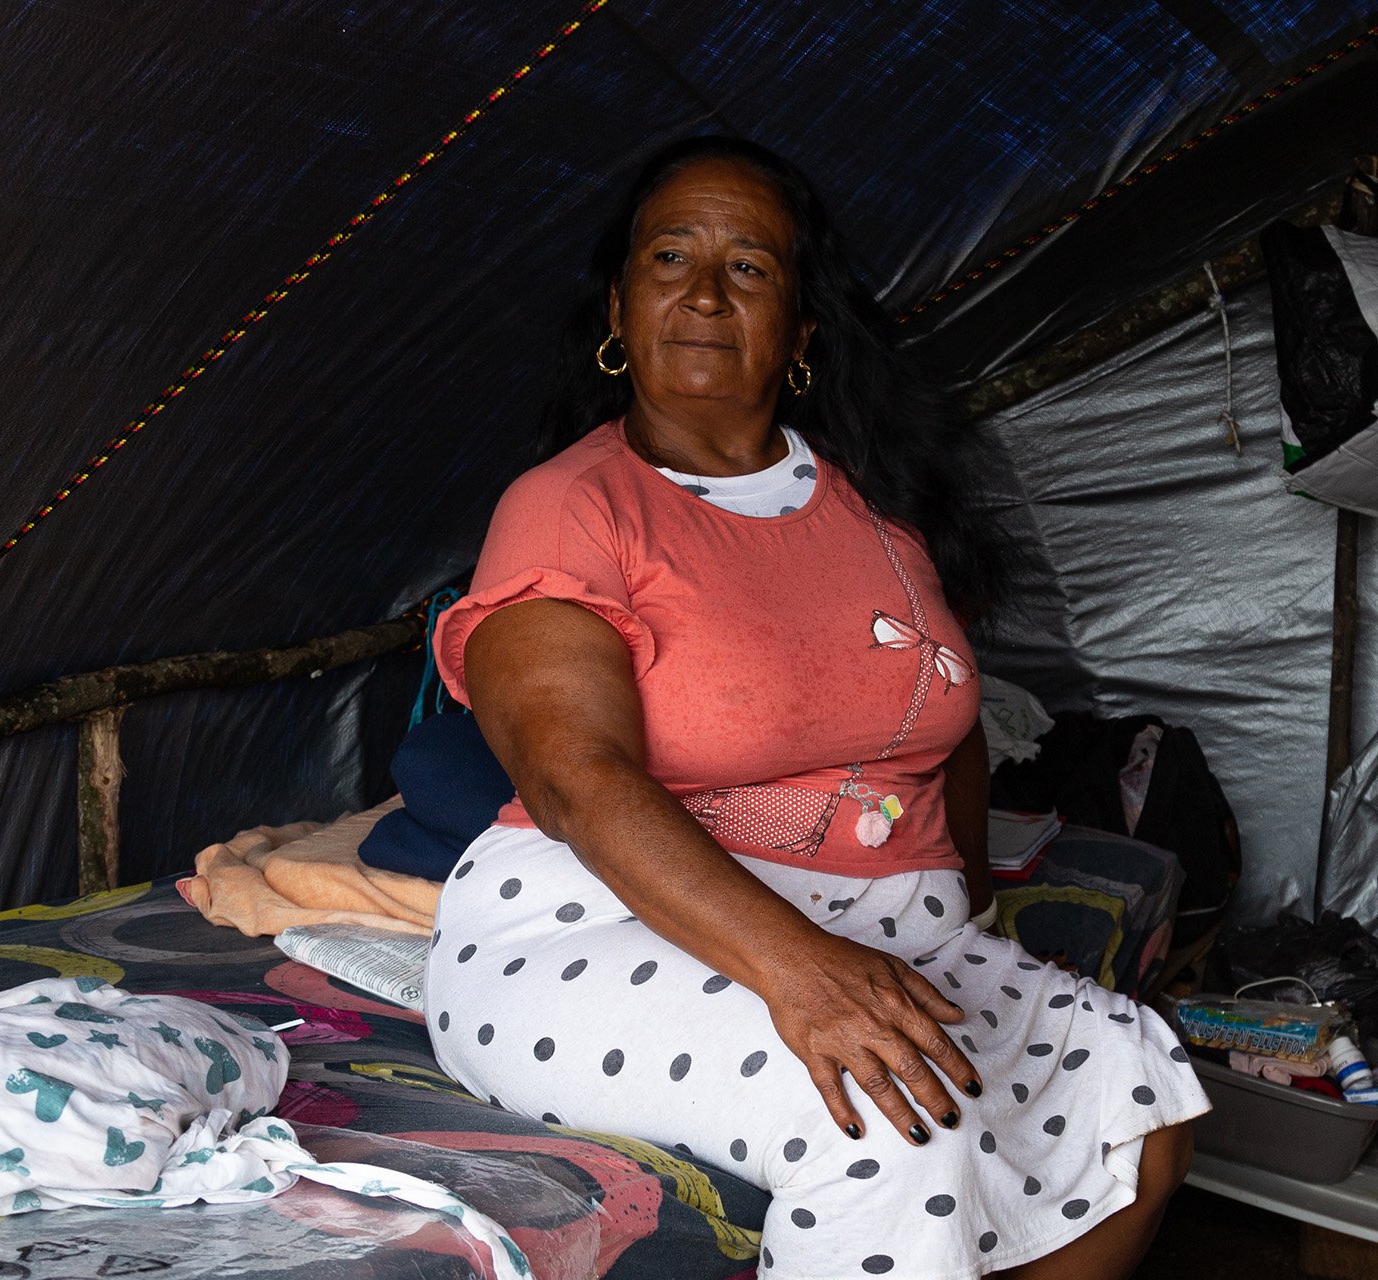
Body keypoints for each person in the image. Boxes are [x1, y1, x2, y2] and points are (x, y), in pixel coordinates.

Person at [422, 136, 1207, 1280]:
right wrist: (806, 972)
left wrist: (961, 920)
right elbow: (574, 778)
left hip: (880, 933)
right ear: (620, 304)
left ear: (799, 331)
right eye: (669, 257)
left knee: (1136, 1082)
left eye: (747, 266)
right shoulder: (572, 507)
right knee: (890, 1116)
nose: (700, 290)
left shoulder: (877, 508)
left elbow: (950, 722)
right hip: (602, 925)